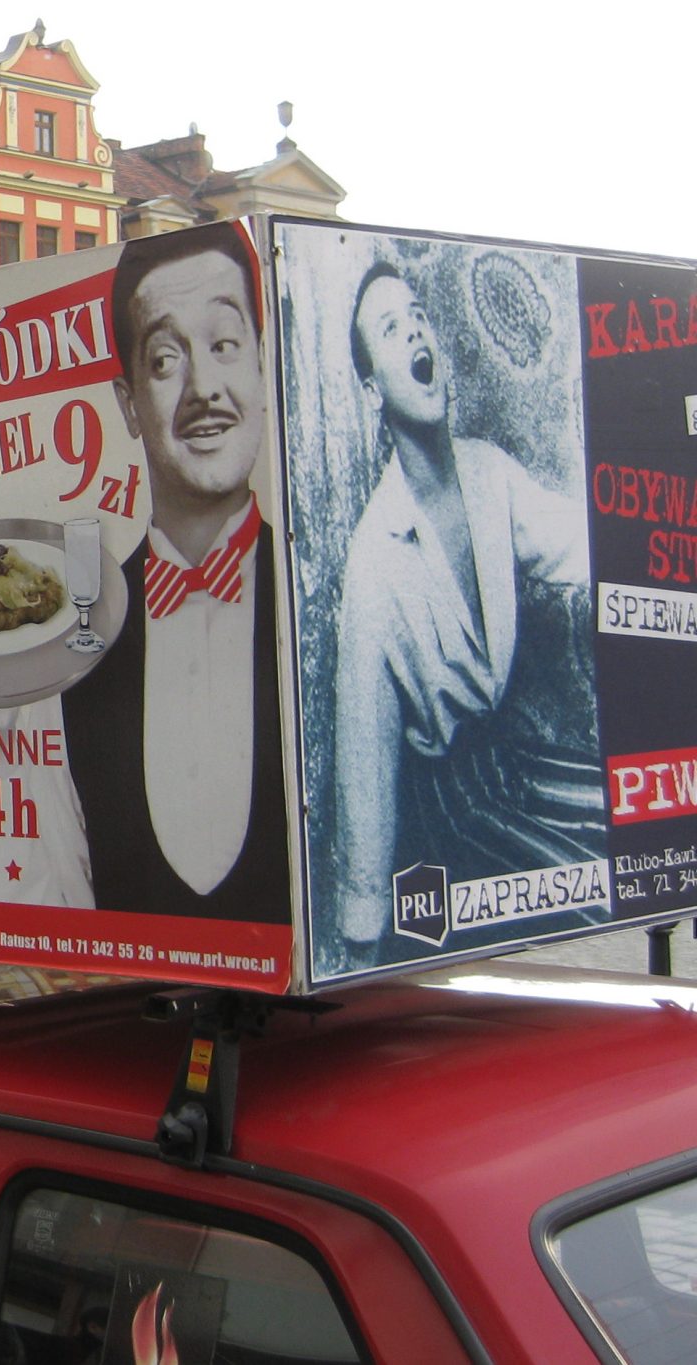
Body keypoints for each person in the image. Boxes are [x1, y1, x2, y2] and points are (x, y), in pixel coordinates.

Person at [330, 262, 599, 967]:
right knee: (574, 883)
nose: (416, 325)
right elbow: (365, 760)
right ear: (371, 389)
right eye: (391, 327)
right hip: (452, 817)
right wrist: (361, 939)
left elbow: (575, 540)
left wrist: (654, 549)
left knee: (616, 823)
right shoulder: (374, 559)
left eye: (417, 313)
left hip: (518, 766)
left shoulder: (487, 472)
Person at [60, 223, 289, 923]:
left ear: (261, 365)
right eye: (166, 360)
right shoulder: (82, 621)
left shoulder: (325, 605)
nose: (204, 389)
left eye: (224, 345)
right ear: (130, 403)